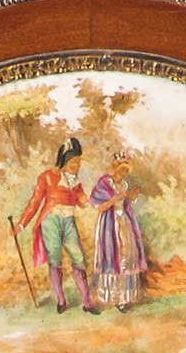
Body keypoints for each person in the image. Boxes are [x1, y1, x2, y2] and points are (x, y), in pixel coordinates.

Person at [17, 134, 97, 312]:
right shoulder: (47, 177)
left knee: (78, 258)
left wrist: (88, 201)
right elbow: (34, 202)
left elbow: (81, 201)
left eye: (79, 162)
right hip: (50, 222)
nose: (77, 166)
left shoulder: (76, 182)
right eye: (73, 162)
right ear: (64, 161)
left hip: (69, 221)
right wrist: (21, 224)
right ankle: (61, 300)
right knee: (55, 260)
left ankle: (87, 303)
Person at [89, 164, 149, 309]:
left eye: (126, 171)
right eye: (122, 169)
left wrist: (131, 195)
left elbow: (126, 203)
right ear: (114, 168)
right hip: (109, 224)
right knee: (113, 256)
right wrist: (118, 197)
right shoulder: (103, 184)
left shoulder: (125, 185)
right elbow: (100, 207)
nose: (124, 173)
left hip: (124, 222)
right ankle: (112, 296)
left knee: (127, 256)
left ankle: (124, 298)